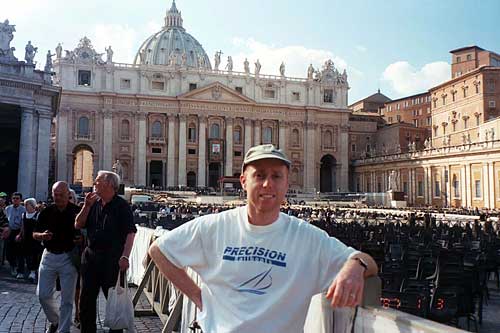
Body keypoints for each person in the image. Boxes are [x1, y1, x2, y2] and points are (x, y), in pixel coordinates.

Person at [148, 144, 378, 332]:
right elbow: (159, 250)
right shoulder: (214, 226)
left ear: (287, 183)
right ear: (244, 181)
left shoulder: (307, 237)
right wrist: (198, 297)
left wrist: (354, 266)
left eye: (276, 176)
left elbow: (368, 261)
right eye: (259, 175)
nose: (268, 184)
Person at [75, 170, 136, 333]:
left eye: (97, 180)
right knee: (86, 300)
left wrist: (125, 256)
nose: (94, 183)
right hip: (90, 258)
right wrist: (86, 206)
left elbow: (131, 232)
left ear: (109, 184)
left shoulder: (122, 206)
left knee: (114, 301)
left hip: (113, 259)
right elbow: (78, 224)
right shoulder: (92, 203)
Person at [33, 182, 81, 333]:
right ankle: (56, 320)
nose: (58, 198)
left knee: (67, 299)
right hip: (49, 255)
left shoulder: (77, 211)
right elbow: (34, 233)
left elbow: (86, 232)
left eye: (61, 195)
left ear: (68, 194)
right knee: (43, 295)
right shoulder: (46, 211)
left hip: (69, 256)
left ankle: (63, 330)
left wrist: (82, 240)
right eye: (55, 195)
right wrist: (42, 236)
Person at [19, 198, 42, 283]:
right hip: (25, 238)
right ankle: (22, 271)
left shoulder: (38, 215)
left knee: (34, 255)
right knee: (24, 255)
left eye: (27, 205)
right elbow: (22, 226)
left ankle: (32, 272)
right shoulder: (23, 215)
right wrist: (20, 235)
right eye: (25, 205)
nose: (25, 206)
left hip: (34, 239)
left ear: (32, 205)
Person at [5, 192, 26, 277]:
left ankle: (20, 271)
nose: (15, 200)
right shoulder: (7, 209)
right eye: (14, 198)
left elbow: (23, 224)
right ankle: (13, 266)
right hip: (10, 231)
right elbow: (6, 221)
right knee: (9, 252)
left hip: (19, 231)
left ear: (20, 200)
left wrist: (20, 234)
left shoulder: (23, 209)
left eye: (17, 198)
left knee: (20, 253)